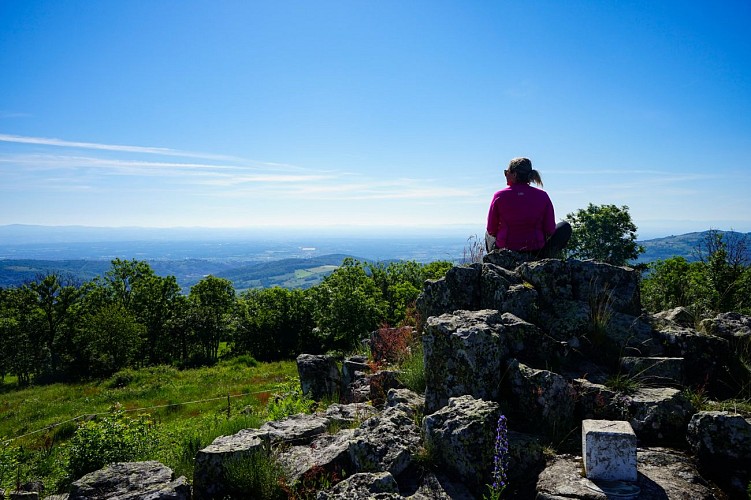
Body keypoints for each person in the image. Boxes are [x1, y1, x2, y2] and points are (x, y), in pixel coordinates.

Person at [485, 157, 571, 258]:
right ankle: (545, 258)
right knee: (565, 227)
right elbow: (550, 229)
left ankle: (496, 261)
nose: (505, 175)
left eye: (506, 172)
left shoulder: (499, 196)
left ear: (514, 174)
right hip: (536, 251)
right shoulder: (542, 196)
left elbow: (491, 229)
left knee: (487, 234)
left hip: (505, 252)